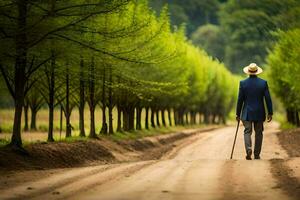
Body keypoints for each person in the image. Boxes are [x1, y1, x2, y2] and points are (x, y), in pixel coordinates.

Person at [236, 63, 273, 160]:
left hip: (247, 112)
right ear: (257, 72)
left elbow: (240, 99)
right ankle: (257, 154)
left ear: (248, 72)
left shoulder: (243, 83)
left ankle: (248, 149)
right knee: (259, 133)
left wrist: (237, 113)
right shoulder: (263, 83)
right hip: (259, 112)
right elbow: (268, 99)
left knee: (247, 131)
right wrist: (270, 112)